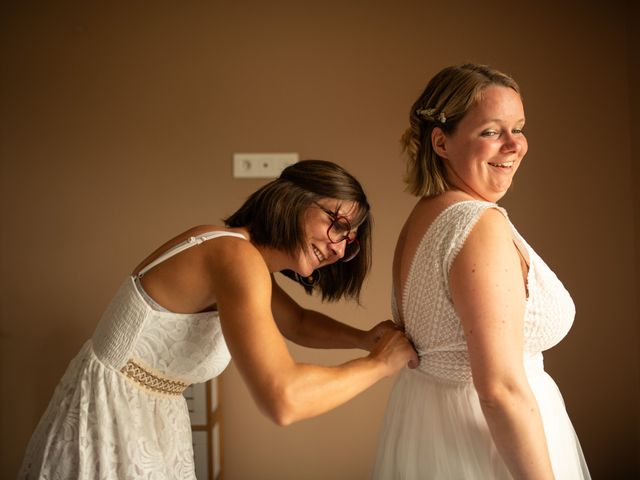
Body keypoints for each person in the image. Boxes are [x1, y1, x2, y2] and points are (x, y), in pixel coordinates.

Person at [19, 159, 419, 479]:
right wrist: (379, 365)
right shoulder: (234, 258)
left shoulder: (240, 255)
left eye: (349, 243)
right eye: (339, 225)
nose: (339, 247)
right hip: (112, 420)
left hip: (146, 417)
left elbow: (296, 322)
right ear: (294, 198)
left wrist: (365, 338)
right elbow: (284, 399)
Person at [372, 64, 590, 479]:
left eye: (519, 128)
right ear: (441, 142)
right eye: (491, 131)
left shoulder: (425, 216)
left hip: (433, 430)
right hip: (489, 449)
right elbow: (500, 391)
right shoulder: (476, 225)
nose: (514, 146)